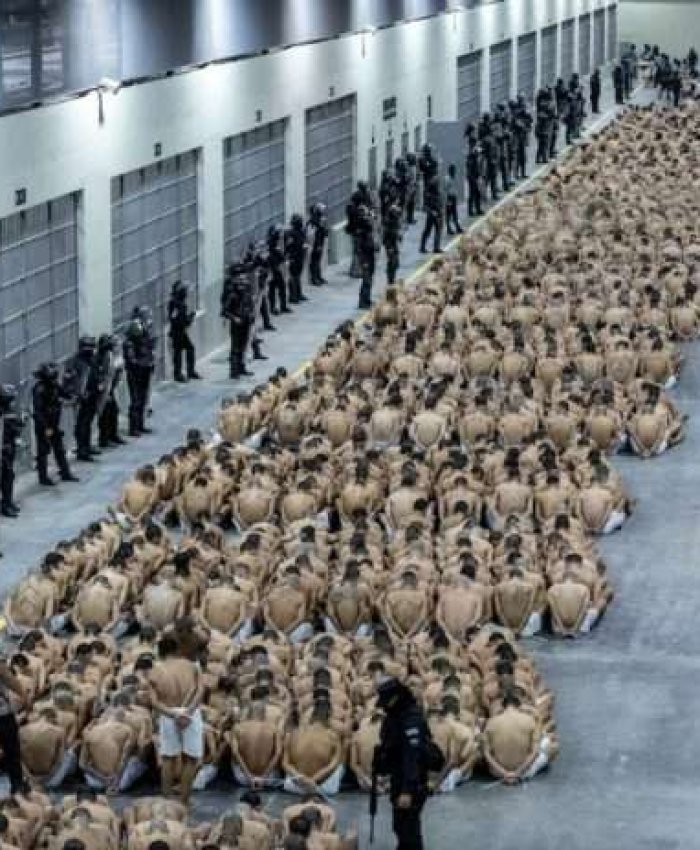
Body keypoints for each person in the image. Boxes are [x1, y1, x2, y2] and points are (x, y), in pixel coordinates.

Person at [373, 678, 433, 850]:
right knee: (400, 826)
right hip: (399, 777)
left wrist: (407, 790)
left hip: (411, 782)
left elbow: (412, 756)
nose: (385, 706)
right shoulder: (397, 716)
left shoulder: (411, 719)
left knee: (409, 830)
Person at [147, 635, 204, 805]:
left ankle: (166, 799)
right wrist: (188, 712)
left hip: (168, 713)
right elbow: (200, 691)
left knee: (168, 758)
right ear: (177, 650)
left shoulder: (156, 670)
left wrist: (173, 715)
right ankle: (184, 800)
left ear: (160, 651)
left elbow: (154, 702)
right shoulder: (192, 666)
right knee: (191, 759)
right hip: (190, 714)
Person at [32, 362, 79, 486]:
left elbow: (64, 393)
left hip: (53, 423)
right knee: (43, 452)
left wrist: (72, 395)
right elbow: (38, 411)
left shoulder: (54, 385)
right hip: (44, 424)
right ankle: (43, 477)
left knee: (59, 449)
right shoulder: (39, 389)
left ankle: (65, 473)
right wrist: (46, 427)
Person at [65, 336, 101, 462]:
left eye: (91, 347)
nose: (89, 350)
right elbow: (69, 380)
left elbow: (97, 374)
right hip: (81, 398)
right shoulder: (75, 362)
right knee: (81, 424)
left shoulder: (92, 359)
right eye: (87, 347)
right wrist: (76, 395)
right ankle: (82, 449)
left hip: (92, 395)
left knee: (88, 423)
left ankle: (86, 446)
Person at [123, 309, 156, 437]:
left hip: (144, 373)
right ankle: (134, 428)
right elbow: (132, 361)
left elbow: (148, 352)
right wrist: (144, 364)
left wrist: (150, 363)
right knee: (135, 401)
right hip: (135, 374)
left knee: (143, 399)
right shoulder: (129, 344)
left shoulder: (143, 340)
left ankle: (140, 425)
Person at [0, 653, 29, 795]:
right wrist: (24, 697)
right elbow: (9, 679)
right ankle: (17, 786)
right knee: (12, 751)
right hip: (2, 714)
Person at [222, 263, 255, 380]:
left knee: (243, 346)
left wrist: (251, 315)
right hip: (237, 323)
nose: (243, 282)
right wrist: (234, 318)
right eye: (240, 279)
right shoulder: (232, 295)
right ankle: (234, 371)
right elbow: (224, 311)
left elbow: (250, 304)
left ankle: (241, 367)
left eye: (244, 279)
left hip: (246, 321)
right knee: (235, 347)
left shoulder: (246, 292)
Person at [95, 334, 127, 449]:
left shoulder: (110, 356)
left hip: (110, 388)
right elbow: (102, 375)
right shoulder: (101, 357)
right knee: (105, 414)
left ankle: (113, 435)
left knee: (113, 411)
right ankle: (104, 439)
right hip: (104, 390)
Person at [167, 281, 200, 383]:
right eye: (184, 291)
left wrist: (189, 318)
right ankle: (178, 374)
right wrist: (189, 319)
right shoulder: (175, 303)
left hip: (181, 331)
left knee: (190, 348)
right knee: (178, 353)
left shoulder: (180, 303)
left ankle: (190, 371)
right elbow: (174, 318)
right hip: (177, 332)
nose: (186, 293)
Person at [0, 384, 24, 518]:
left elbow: (16, 425)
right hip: (3, 448)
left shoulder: (9, 410)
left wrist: (18, 426)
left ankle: (7, 503)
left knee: (8, 476)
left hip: (8, 448)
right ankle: (6, 505)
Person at [356, 206, 377, 310]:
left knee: (369, 280)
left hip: (370, 256)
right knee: (366, 280)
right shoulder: (362, 232)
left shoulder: (367, 231)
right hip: (366, 258)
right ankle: (362, 302)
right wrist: (363, 261)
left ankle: (367, 299)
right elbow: (359, 249)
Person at [286, 214, 308, 305]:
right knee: (293, 277)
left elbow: (302, 242)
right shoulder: (291, 233)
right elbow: (289, 246)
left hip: (300, 256)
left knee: (298, 276)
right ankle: (293, 296)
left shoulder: (301, 232)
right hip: (294, 257)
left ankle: (299, 294)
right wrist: (290, 257)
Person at [307, 203, 329, 287]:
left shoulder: (320, 219)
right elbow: (315, 234)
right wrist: (318, 244)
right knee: (314, 261)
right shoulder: (314, 221)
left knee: (318, 261)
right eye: (321, 210)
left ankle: (319, 277)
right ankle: (314, 278)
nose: (323, 211)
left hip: (320, 242)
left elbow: (324, 232)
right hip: (315, 243)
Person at [419, 176, 443, 254]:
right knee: (428, 230)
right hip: (432, 214)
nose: (438, 185)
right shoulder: (429, 194)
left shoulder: (437, 193)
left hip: (438, 213)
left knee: (438, 231)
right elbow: (425, 206)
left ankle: (436, 247)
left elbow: (440, 202)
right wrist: (432, 212)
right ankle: (423, 247)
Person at [382, 202, 403, 286]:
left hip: (394, 244)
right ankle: (390, 280)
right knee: (392, 263)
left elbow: (395, 233)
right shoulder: (389, 223)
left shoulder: (395, 222)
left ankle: (391, 279)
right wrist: (389, 248)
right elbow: (386, 237)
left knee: (396, 263)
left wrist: (398, 236)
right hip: (390, 246)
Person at [443, 164, 462, 236]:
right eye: (453, 171)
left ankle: (457, 226)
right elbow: (445, 190)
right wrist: (447, 200)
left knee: (454, 213)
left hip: (454, 197)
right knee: (449, 214)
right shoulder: (447, 178)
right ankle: (449, 228)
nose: (454, 172)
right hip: (449, 197)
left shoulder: (454, 177)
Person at [466, 144, 484, 217]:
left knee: (477, 194)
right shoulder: (471, 160)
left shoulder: (475, 160)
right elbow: (470, 172)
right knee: (472, 195)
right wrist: (474, 180)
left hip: (475, 178)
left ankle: (478, 209)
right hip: (472, 179)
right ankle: (470, 211)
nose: (479, 154)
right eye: (478, 153)